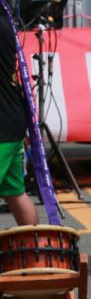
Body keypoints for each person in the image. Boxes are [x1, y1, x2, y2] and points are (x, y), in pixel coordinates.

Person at [0, 17, 36, 227]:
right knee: (15, 193)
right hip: (11, 119)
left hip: (3, 125)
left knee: (16, 194)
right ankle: (37, 253)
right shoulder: (4, 19)